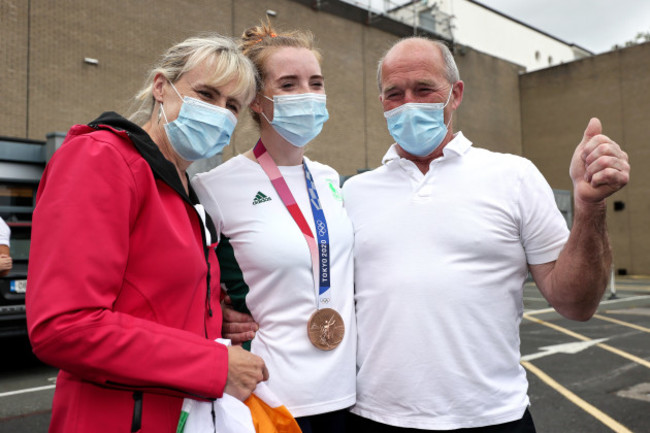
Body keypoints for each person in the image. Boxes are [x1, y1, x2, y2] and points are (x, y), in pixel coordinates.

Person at [340, 37, 630, 432]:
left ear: (455, 94)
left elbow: (576, 304)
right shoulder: (353, 193)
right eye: (394, 93)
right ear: (382, 103)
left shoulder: (514, 176)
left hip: (493, 419)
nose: (408, 103)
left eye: (424, 89)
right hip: (375, 419)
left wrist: (589, 207)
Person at [26, 34, 268, 433]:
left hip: (179, 414)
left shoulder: (183, 187)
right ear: (161, 86)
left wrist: (210, 318)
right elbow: (65, 326)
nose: (219, 113)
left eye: (232, 107)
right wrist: (214, 363)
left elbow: (146, 296)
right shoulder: (102, 160)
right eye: (206, 94)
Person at [192, 22, 356, 433]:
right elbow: (190, 284)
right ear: (256, 102)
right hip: (270, 399)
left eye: (315, 83)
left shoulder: (331, 179)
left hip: (351, 393)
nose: (308, 94)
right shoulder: (214, 187)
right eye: (288, 84)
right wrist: (216, 314)